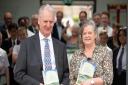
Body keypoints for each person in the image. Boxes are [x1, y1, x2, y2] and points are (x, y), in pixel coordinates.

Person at [14, 4, 69, 85]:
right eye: (45, 21)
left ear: (54, 22)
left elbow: (66, 74)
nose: (48, 25)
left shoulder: (61, 46)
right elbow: (18, 73)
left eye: (51, 22)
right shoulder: (26, 44)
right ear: (39, 21)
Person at [69, 20, 113, 85]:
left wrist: (91, 81)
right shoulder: (76, 54)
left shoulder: (104, 53)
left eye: (89, 33)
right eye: (84, 33)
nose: (87, 36)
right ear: (81, 37)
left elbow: (109, 78)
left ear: (95, 35)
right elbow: (71, 78)